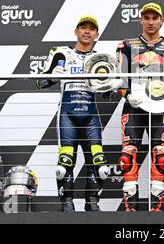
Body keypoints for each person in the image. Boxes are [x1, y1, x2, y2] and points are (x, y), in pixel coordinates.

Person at [36, 15, 121, 212]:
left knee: (99, 164)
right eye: (83, 27)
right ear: (76, 31)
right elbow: (40, 83)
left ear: (97, 34)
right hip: (67, 115)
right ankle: (67, 204)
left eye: (91, 29)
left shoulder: (101, 59)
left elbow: (107, 95)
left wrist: (112, 85)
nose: (87, 31)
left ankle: (92, 204)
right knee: (64, 164)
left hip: (91, 116)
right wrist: (51, 77)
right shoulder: (61, 53)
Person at [116, 2, 164, 211]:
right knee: (127, 156)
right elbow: (119, 78)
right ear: (141, 20)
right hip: (134, 107)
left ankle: (156, 211)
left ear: (161, 20)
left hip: (161, 106)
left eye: (155, 18)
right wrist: (127, 95)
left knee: (161, 156)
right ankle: (131, 210)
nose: (151, 22)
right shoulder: (127, 45)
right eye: (147, 18)